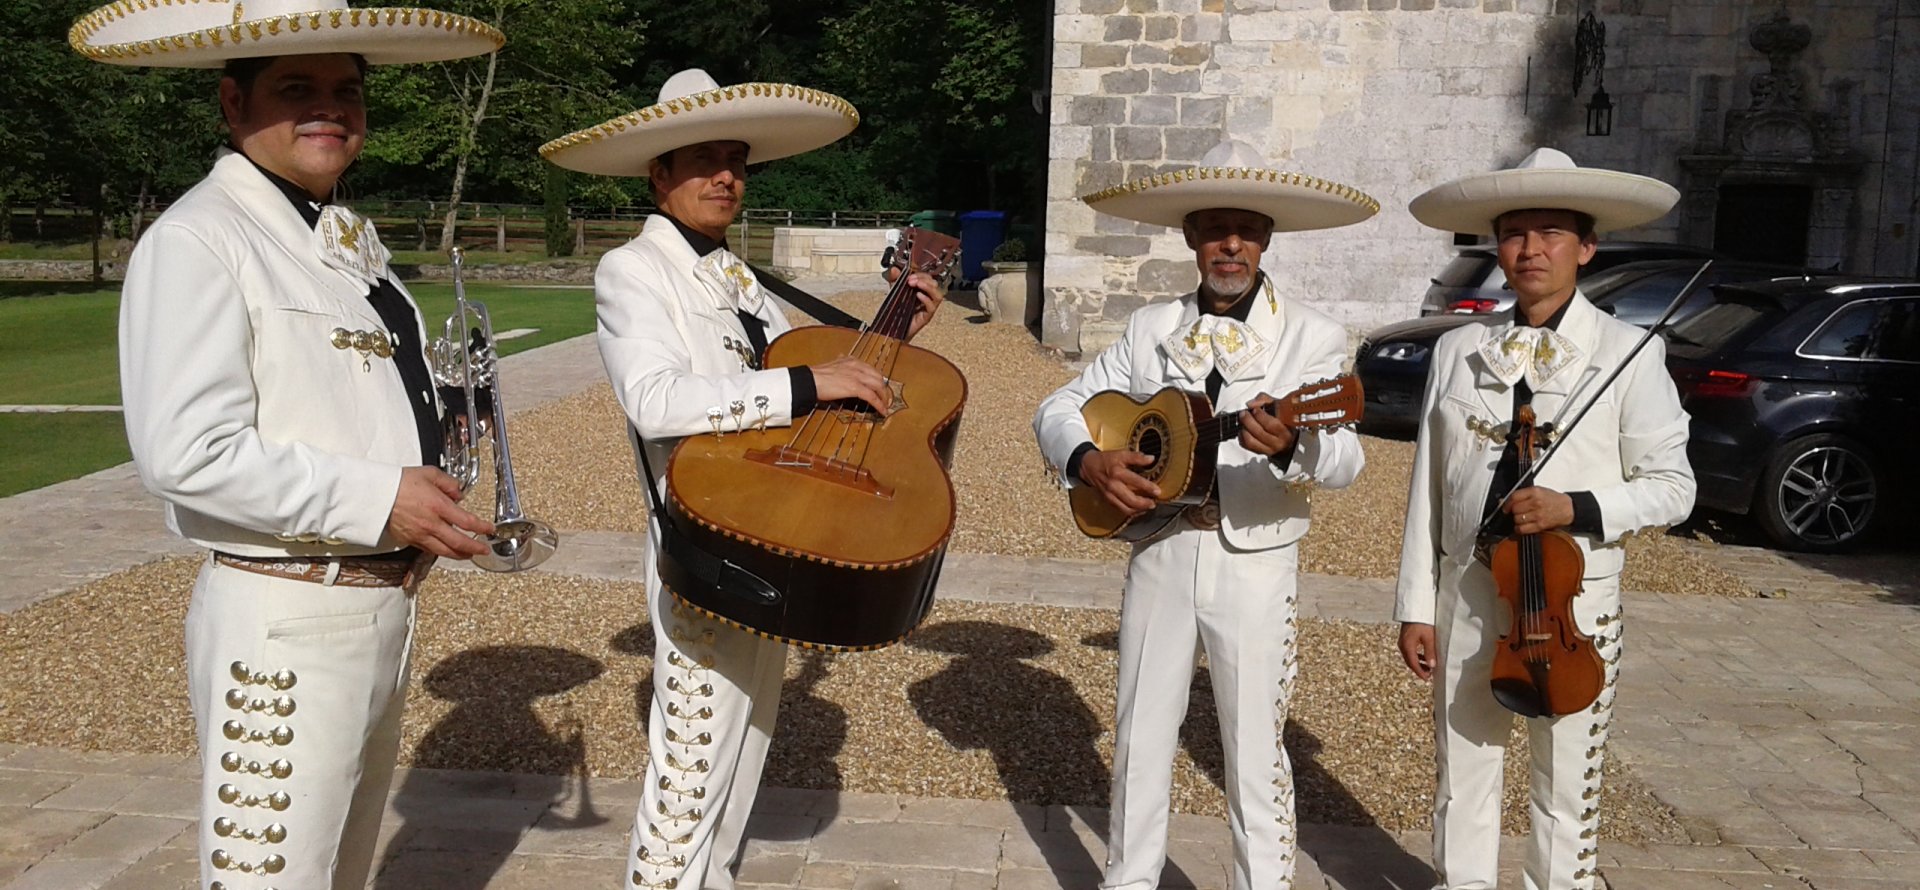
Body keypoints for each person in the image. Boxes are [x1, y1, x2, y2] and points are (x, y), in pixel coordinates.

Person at [73, 1, 506, 886]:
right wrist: (379, 496)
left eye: (346, 89)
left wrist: (448, 414)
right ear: (234, 105)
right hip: (286, 615)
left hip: (373, 606)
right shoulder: (201, 237)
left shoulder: (338, 236)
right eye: (296, 88)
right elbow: (185, 452)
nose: (330, 108)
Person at [540, 68, 945, 890]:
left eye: (737, 159)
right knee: (686, 790)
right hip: (703, 551)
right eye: (703, 159)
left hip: (774, 536)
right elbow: (658, 403)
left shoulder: (740, 279)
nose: (726, 175)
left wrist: (894, 327)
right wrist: (809, 384)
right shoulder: (634, 270)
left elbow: (821, 379)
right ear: (659, 173)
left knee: (738, 772)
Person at [1033, 139, 1376, 890]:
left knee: (1254, 748)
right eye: (1216, 229)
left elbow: (1347, 461)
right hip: (1157, 546)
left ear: (1266, 239)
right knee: (1139, 736)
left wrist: (1291, 449)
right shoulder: (1150, 327)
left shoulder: (1312, 336)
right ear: (1190, 238)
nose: (1231, 245)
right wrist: (1088, 462)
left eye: (1246, 229)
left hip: (1253, 558)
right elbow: (1060, 406)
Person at [1393, 148, 1697, 890]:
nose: (1532, 250)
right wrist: (1413, 607)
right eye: (1516, 234)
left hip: (1570, 603)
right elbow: (1427, 489)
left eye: (1552, 233)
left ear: (1586, 248)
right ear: (1497, 246)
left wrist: (1578, 507)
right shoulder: (1460, 349)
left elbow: (1674, 487)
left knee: (1564, 784)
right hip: (1468, 588)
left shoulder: (1629, 353)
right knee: (1462, 770)